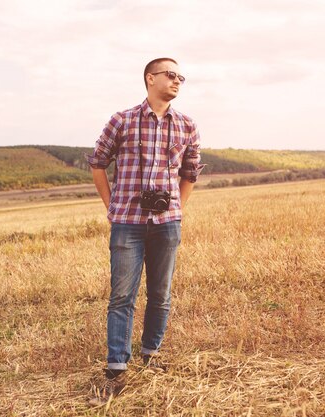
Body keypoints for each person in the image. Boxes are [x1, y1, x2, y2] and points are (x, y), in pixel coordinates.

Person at [86, 57, 205, 405]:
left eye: (181, 76)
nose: (178, 80)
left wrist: (177, 208)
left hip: (167, 225)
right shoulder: (121, 120)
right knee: (122, 296)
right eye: (171, 75)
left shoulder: (187, 125)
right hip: (128, 223)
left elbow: (191, 174)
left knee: (161, 294)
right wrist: (112, 206)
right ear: (150, 78)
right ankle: (116, 369)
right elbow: (97, 163)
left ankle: (151, 355)